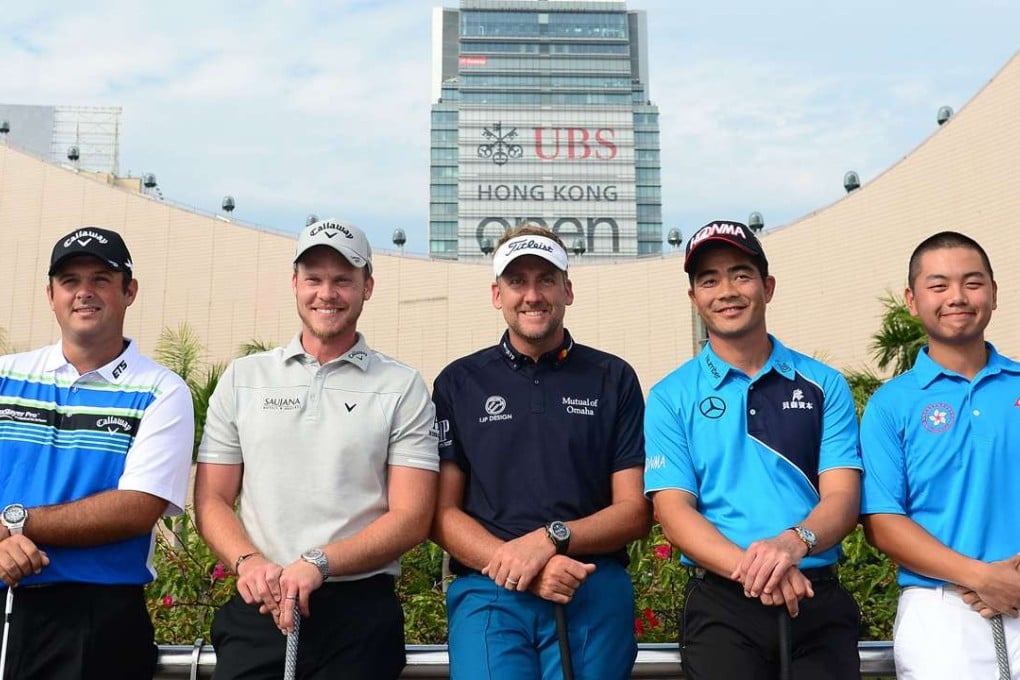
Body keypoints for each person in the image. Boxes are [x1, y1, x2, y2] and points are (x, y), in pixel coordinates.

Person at [194, 218, 439, 680]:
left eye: (343, 279)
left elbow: (412, 516)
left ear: (367, 286)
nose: (327, 293)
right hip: (260, 604)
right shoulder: (244, 377)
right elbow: (211, 498)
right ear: (295, 284)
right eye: (314, 279)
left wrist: (318, 564)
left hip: (359, 615)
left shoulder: (401, 385)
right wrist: (249, 564)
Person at [644, 220, 863, 679]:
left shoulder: (824, 384)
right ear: (694, 299)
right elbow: (674, 510)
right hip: (721, 605)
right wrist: (759, 570)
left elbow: (843, 499)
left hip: (815, 596)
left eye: (741, 274)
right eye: (709, 279)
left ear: (767, 286)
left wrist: (792, 543)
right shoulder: (670, 395)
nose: (726, 290)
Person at [430, 224, 650, 680]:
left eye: (546, 279)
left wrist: (550, 539)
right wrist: (521, 568)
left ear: (568, 289)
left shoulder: (614, 378)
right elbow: (441, 513)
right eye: (517, 281)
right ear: (496, 294)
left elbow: (634, 512)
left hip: (590, 583)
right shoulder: (458, 382)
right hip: (490, 589)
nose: (532, 295)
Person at [0, 227, 195, 679]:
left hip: (97, 618)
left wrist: (14, 522)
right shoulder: (6, 377)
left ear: (129, 291)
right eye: (69, 281)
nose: (83, 293)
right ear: (51, 294)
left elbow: (135, 508)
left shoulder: (162, 391)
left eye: (100, 279)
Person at [860, 231, 1020, 679]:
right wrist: (981, 577)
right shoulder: (891, 404)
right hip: (941, 612)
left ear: (994, 293)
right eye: (939, 285)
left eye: (972, 283)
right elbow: (883, 523)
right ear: (912, 300)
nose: (957, 297)